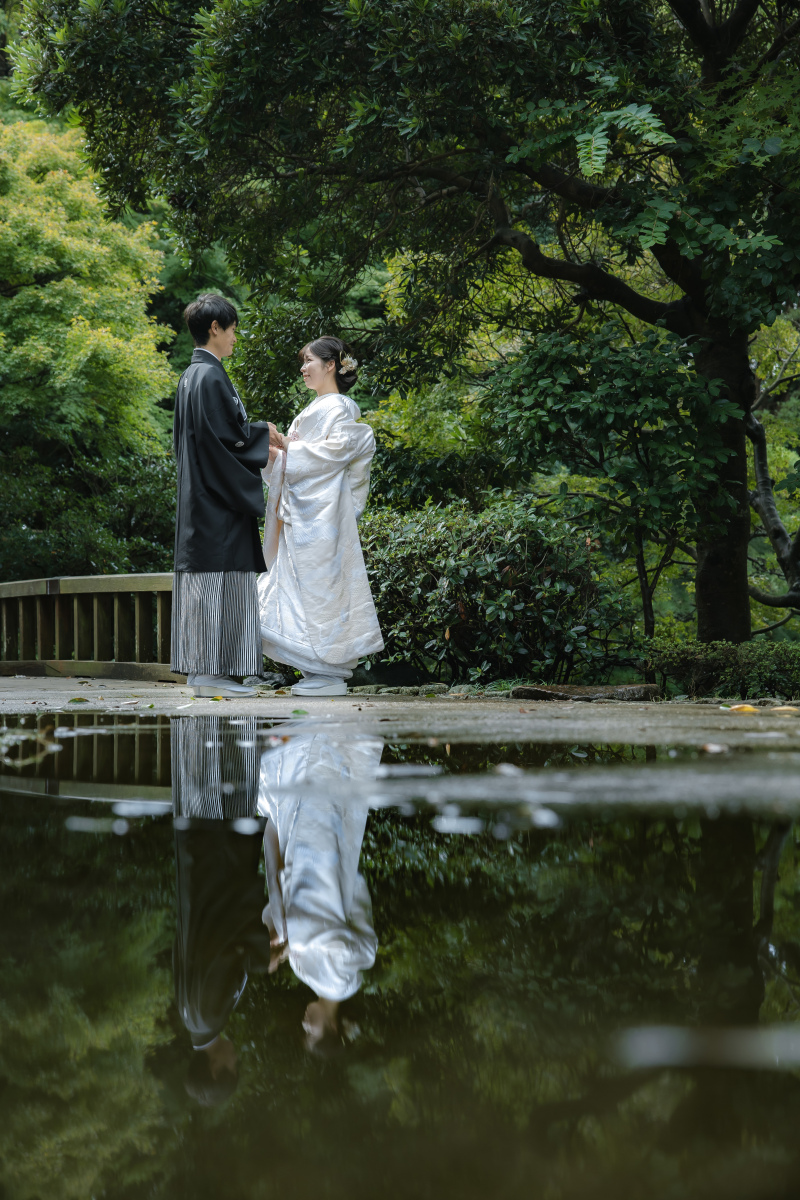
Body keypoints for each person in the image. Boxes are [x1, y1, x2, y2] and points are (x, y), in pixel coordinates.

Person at [259, 336, 384, 698]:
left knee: (322, 590)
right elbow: (297, 461)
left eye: (309, 360)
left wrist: (287, 450)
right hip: (303, 514)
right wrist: (275, 455)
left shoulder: (340, 407)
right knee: (298, 589)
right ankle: (317, 667)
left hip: (323, 515)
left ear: (331, 364)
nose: (303, 368)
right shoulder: (313, 409)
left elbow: (335, 453)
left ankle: (328, 669)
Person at [171, 293, 279, 698]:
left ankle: (203, 673)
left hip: (200, 497)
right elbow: (224, 440)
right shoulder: (211, 376)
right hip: (216, 502)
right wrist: (262, 433)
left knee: (206, 586)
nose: (235, 337)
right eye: (232, 329)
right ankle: (212, 673)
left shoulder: (190, 376)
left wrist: (252, 436)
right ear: (215, 328)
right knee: (217, 583)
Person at [257, 731, 383, 1055]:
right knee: (321, 803)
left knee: (296, 806)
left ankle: (315, 740)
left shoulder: (305, 974)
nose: (303, 1024)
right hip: (324, 868)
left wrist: (279, 944)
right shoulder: (344, 980)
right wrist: (291, 940)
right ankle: (328, 740)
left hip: (300, 871)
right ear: (331, 1027)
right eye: (311, 1033)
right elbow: (352, 940)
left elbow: (294, 926)